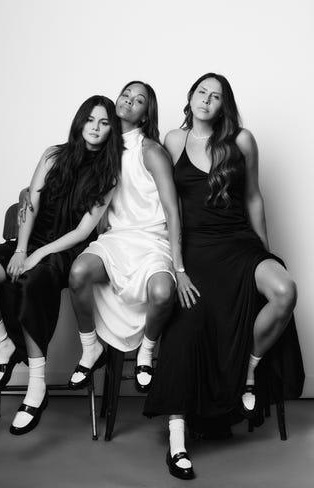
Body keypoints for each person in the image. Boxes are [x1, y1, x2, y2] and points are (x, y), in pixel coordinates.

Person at [143, 73, 304, 480]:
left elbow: (252, 196)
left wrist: (265, 254)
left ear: (224, 105)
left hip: (238, 244)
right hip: (194, 250)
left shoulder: (243, 140)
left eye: (216, 96)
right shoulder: (173, 140)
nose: (207, 101)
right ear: (191, 96)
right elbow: (164, 203)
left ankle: (249, 371)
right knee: (185, 324)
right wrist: (175, 265)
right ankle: (177, 441)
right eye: (202, 92)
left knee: (284, 291)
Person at [0, 95, 122, 435]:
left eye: (104, 122)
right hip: (30, 242)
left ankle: (37, 385)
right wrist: (22, 250)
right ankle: (3, 343)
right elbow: (30, 203)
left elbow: (83, 230)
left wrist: (39, 255)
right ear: (80, 122)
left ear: (111, 130)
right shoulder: (53, 155)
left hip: (66, 250)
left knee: (33, 283)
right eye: (90, 120)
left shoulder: (109, 173)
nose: (95, 128)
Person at [67, 81, 197, 394]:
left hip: (152, 242)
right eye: (126, 94)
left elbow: (173, 210)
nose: (129, 101)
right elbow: (66, 176)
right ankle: (90, 348)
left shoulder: (151, 150)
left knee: (163, 292)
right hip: (116, 240)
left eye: (138, 100)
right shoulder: (101, 147)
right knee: (79, 272)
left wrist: (179, 268)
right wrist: (31, 194)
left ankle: (147, 350)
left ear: (143, 115)